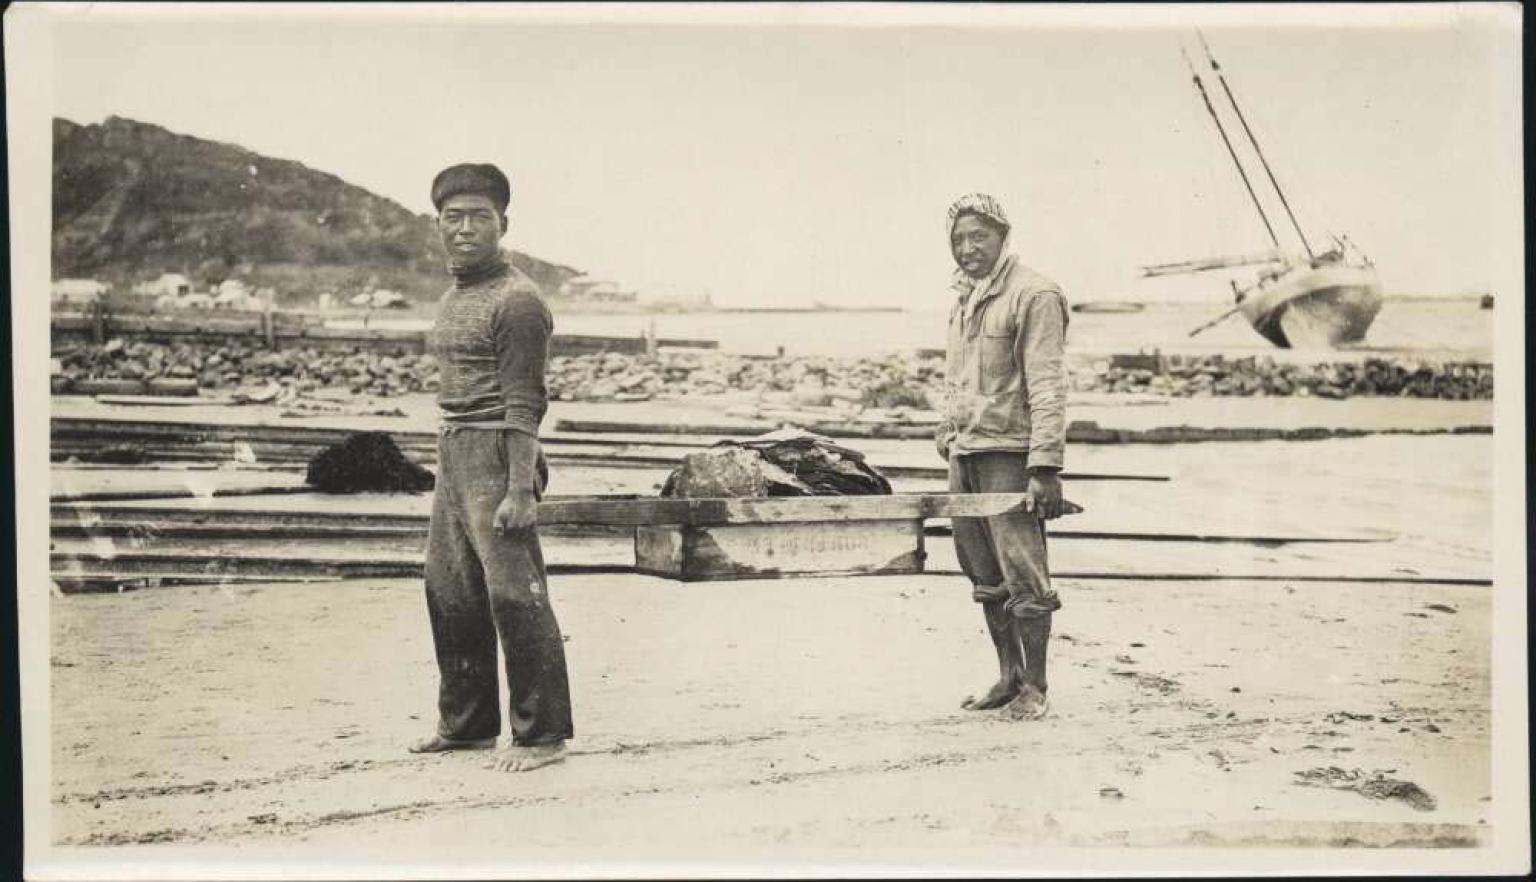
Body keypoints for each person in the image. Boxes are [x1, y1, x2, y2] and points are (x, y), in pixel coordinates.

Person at [408, 162, 573, 772]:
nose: (465, 228)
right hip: (454, 451)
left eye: (480, 217)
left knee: (515, 595)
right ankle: (468, 726)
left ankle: (543, 735)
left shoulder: (518, 300)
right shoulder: (455, 295)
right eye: (453, 217)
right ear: (438, 225)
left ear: (504, 224)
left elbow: (526, 403)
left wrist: (520, 489)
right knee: (451, 590)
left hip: (501, 454)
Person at [935, 193, 1070, 722]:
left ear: (1003, 236)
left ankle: (1035, 686)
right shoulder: (964, 298)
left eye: (979, 236)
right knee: (983, 574)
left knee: (1024, 575)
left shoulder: (1035, 294)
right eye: (958, 239)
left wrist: (1045, 468)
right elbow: (959, 378)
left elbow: (1047, 384)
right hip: (965, 455)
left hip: (1009, 456)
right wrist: (947, 428)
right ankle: (1008, 676)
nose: (968, 248)